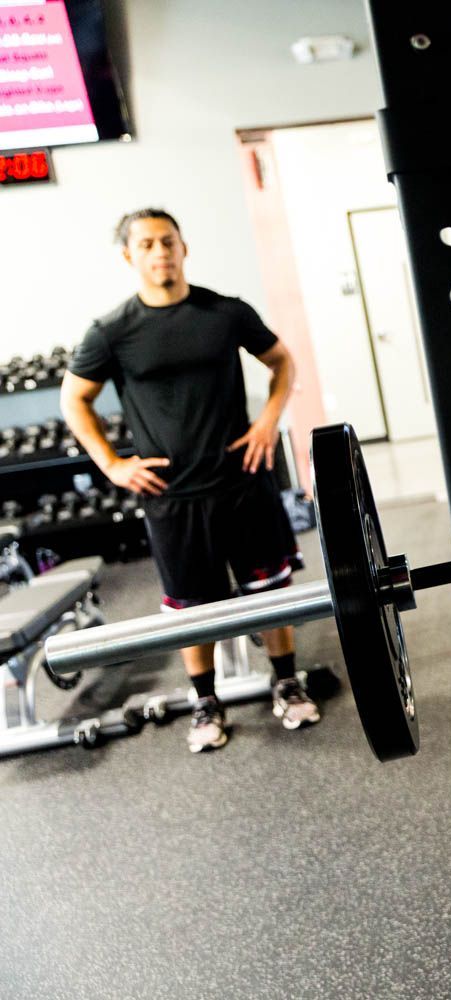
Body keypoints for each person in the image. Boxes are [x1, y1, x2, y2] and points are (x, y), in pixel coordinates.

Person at [60, 208, 319, 753]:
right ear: (129, 256)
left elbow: (282, 362)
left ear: (184, 247)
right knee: (190, 608)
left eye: (169, 241)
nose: (161, 252)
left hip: (243, 481)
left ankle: (286, 680)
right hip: (173, 497)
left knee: (269, 592)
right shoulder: (111, 331)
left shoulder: (224, 312)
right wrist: (113, 464)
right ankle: (206, 700)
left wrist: (269, 421)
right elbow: (74, 399)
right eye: (148, 244)